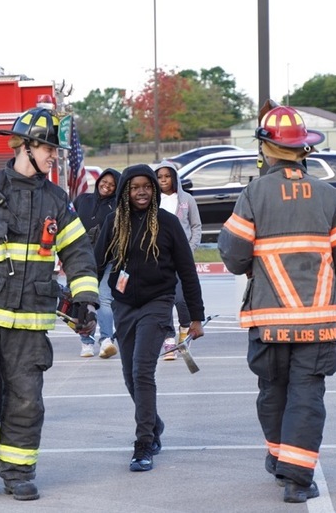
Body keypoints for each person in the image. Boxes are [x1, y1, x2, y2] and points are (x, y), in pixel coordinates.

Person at [0, 106, 99, 501]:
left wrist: (87, 300)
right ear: (24, 146)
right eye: (47, 148)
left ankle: (18, 473)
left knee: (27, 399)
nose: (53, 156)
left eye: (55, 151)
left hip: (29, 323)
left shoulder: (58, 202)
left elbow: (79, 254)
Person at [217, 105, 336, 504]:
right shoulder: (329, 196)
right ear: (303, 149)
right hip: (319, 323)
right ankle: (296, 479)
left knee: (272, 391)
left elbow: (234, 257)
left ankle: (281, 461)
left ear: (266, 149)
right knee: (307, 396)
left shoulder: (253, 194)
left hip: (269, 322)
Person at [92, 164, 206, 472]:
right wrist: (84, 299)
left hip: (157, 303)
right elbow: (96, 262)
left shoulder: (167, 223)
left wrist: (195, 316)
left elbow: (187, 272)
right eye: (134, 187)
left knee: (143, 371)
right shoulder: (113, 221)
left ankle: (143, 444)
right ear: (125, 191)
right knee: (130, 376)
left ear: (154, 189)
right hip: (124, 305)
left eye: (147, 186)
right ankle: (154, 423)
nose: (141, 191)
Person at [152, 160, 202, 361]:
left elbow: (196, 226)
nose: (164, 180)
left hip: (182, 259)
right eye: (160, 177)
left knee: (182, 300)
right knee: (165, 300)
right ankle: (169, 338)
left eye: (167, 176)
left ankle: (184, 327)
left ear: (174, 177)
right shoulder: (153, 201)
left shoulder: (186, 200)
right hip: (159, 260)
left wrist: (188, 250)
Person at [71, 168, 121, 358]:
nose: (106, 186)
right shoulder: (83, 200)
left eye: (111, 184)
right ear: (98, 180)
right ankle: (86, 342)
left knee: (104, 299)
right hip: (82, 261)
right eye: (104, 182)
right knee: (83, 300)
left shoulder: (118, 206)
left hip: (110, 261)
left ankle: (106, 340)